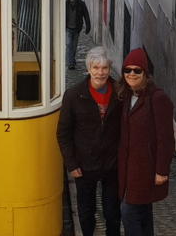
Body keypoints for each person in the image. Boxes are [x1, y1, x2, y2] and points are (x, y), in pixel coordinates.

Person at [57, 46, 122, 236]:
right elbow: (63, 133)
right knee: (86, 213)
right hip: (84, 166)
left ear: (109, 70)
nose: (100, 73)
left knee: (112, 212)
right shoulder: (74, 95)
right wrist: (71, 163)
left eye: (104, 68)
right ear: (88, 69)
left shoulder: (119, 94)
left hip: (112, 165)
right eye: (96, 68)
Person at [116, 48, 174, 236]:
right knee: (142, 214)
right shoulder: (126, 96)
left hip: (146, 169)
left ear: (145, 73)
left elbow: (165, 138)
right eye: (127, 70)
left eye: (137, 70)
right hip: (128, 168)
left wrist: (162, 171)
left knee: (129, 213)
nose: (131, 74)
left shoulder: (157, 98)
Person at [65, 0, 91, 69]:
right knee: (69, 44)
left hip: (77, 28)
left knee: (74, 45)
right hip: (68, 28)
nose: (72, 3)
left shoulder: (81, 5)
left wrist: (88, 26)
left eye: (74, 2)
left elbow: (86, 15)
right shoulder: (65, 5)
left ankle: (72, 59)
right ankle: (70, 63)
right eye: (71, 2)